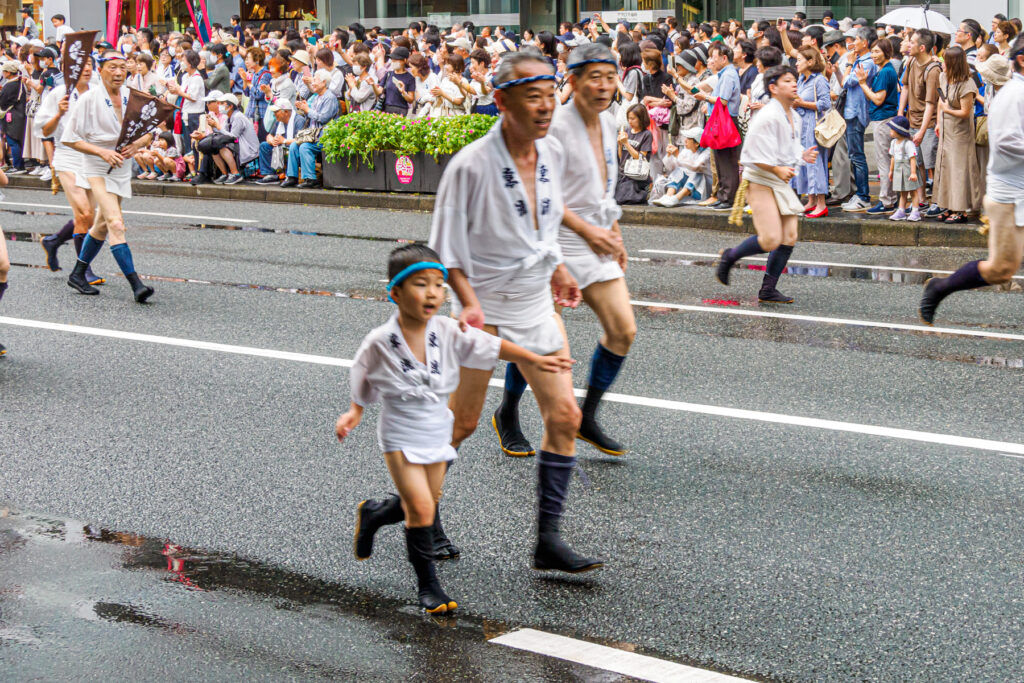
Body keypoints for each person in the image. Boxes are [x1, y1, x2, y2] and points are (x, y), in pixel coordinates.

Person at [427, 48, 604, 573]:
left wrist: (559, 266)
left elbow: (543, 222)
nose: (547, 107)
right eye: (534, 98)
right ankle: (409, 508)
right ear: (502, 102)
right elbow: (445, 252)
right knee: (461, 424)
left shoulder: (549, 155)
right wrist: (472, 303)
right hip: (484, 306)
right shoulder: (471, 166)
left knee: (565, 416)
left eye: (552, 96)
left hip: (532, 304)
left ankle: (547, 540)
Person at [339, 245, 573, 612]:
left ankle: (376, 512)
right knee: (420, 507)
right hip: (400, 433)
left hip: (437, 428)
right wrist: (355, 411)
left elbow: (494, 346)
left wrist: (536, 358)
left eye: (438, 284)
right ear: (396, 293)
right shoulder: (380, 341)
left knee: (419, 504)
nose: (432, 293)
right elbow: (361, 376)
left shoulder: (448, 330)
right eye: (421, 284)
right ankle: (429, 587)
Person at [495, 43, 635, 458]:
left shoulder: (609, 122)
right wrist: (581, 238)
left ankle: (587, 417)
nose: (605, 86)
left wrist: (613, 232)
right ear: (571, 81)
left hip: (593, 236)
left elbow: (603, 188)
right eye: (595, 77)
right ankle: (507, 412)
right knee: (541, 334)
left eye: (611, 77)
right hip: (546, 235)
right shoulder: (552, 126)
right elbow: (538, 194)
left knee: (623, 330)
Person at [919, 35, 1024, 324]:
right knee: (1001, 269)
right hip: (1010, 196)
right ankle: (939, 288)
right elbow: (1004, 143)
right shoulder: (1013, 95)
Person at [715, 65, 820, 304]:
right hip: (759, 179)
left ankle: (768, 289)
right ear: (773, 88)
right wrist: (776, 168)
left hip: (779, 179)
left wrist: (801, 155)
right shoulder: (767, 116)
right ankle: (730, 257)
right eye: (787, 81)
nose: (794, 84)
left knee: (789, 236)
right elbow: (750, 155)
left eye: (794, 80)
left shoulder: (793, 115)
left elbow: (788, 147)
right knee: (771, 239)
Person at [61, 51, 155, 304]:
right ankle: (137, 285)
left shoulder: (132, 96)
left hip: (122, 164)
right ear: (101, 70)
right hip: (96, 166)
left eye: (123, 68)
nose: (118, 72)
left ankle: (78, 273)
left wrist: (139, 144)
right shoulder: (88, 99)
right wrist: (101, 152)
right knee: (115, 222)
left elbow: (150, 131)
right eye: (112, 67)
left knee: (101, 223)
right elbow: (69, 138)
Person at [37, 58, 103, 285]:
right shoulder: (58, 93)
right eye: (80, 65)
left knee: (88, 217)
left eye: (89, 65)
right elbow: (44, 130)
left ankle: (54, 241)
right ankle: (83, 270)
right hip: (67, 154)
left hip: (91, 155)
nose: (86, 69)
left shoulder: (97, 91)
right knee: (84, 214)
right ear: (68, 69)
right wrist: (58, 114)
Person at [931, 46, 983, 223]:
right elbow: (941, 100)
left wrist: (948, 111)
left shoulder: (967, 84)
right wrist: (939, 121)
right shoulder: (943, 76)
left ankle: (961, 209)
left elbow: (965, 112)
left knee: (959, 170)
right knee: (945, 167)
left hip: (960, 132)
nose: (942, 63)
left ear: (954, 63)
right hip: (946, 129)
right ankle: (947, 205)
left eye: (946, 60)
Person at [693, 42, 742, 209]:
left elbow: (723, 100)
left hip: (727, 119)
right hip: (722, 119)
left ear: (724, 58)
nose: (711, 60)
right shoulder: (725, 74)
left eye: (714, 57)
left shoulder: (728, 75)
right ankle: (723, 196)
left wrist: (704, 97)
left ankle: (729, 198)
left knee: (727, 161)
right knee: (721, 160)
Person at [857, 38, 901, 215]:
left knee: (883, 161)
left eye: (877, 51)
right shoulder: (886, 70)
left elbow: (877, 99)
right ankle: (891, 198)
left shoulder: (885, 72)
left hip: (883, 119)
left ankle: (887, 200)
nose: (874, 55)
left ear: (886, 52)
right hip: (884, 118)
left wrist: (862, 83)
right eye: (873, 52)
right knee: (888, 160)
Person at [900, 29, 941, 213]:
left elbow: (931, 103)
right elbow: (906, 87)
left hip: (929, 123)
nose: (909, 45)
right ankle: (921, 200)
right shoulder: (911, 61)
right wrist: (901, 114)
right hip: (912, 120)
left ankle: (938, 201)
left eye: (912, 42)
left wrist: (923, 131)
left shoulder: (933, 69)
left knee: (933, 164)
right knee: (917, 163)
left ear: (922, 47)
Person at [839, 27, 875, 212]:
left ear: (865, 42)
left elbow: (846, 82)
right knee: (854, 155)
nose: (853, 42)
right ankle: (859, 194)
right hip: (851, 111)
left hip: (857, 112)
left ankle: (863, 196)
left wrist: (848, 64)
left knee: (857, 156)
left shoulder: (866, 63)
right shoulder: (860, 60)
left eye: (857, 39)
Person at [282, 70, 338, 189]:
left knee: (305, 147)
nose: (313, 82)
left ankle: (311, 179)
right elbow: (311, 116)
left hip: (324, 136)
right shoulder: (317, 97)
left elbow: (323, 118)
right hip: (313, 135)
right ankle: (292, 177)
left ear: (323, 82)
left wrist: (307, 110)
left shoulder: (330, 98)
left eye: (316, 80)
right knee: (294, 146)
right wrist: (303, 108)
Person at [792, 45, 831, 217]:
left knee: (816, 163)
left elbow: (825, 104)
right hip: (801, 124)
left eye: (799, 60)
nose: (796, 63)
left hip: (814, 125)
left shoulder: (819, 80)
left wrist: (801, 103)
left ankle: (821, 203)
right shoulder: (801, 79)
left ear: (810, 61)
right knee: (805, 161)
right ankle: (811, 199)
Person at [650, 126, 710, 206]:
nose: (685, 141)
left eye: (688, 139)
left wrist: (678, 155)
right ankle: (668, 196)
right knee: (679, 170)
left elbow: (695, 167)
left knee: (697, 173)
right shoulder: (686, 150)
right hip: (687, 189)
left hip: (701, 190)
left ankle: (676, 198)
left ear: (697, 143)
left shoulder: (707, 153)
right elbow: (671, 168)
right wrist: (669, 155)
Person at [256, 99, 305, 184]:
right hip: (282, 148)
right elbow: (269, 135)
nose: (274, 114)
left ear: (286, 112)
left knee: (292, 148)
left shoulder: (299, 120)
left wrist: (284, 141)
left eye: (276, 111)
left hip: (293, 149)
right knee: (264, 145)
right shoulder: (279, 122)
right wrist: (272, 141)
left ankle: (290, 175)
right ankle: (270, 174)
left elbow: (300, 140)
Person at [614, 103, 653, 205]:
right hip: (622, 172)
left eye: (633, 119)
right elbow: (620, 156)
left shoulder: (646, 134)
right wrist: (619, 145)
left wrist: (626, 143)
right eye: (628, 118)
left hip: (636, 175)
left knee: (624, 197)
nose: (630, 121)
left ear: (641, 118)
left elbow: (641, 157)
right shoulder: (626, 131)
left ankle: (645, 190)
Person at [885, 116, 921, 221]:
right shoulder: (893, 143)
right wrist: (891, 171)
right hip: (898, 169)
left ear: (898, 131)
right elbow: (893, 157)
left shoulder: (908, 144)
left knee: (913, 191)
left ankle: (915, 211)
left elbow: (912, 159)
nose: (890, 131)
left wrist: (913, 173)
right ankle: (901, 210)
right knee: (902, 192)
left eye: (892, 129)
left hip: (908, 170)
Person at [373, 46, 416, 115]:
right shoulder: (388, 74)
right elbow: (379, 92)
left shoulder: (410, 78)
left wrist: (403, 92)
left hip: (401, 110)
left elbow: (411, 99)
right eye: (392, 59)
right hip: (387, 109)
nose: (393, 61)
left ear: (404, 60)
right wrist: (373, 85)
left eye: (396, 59)